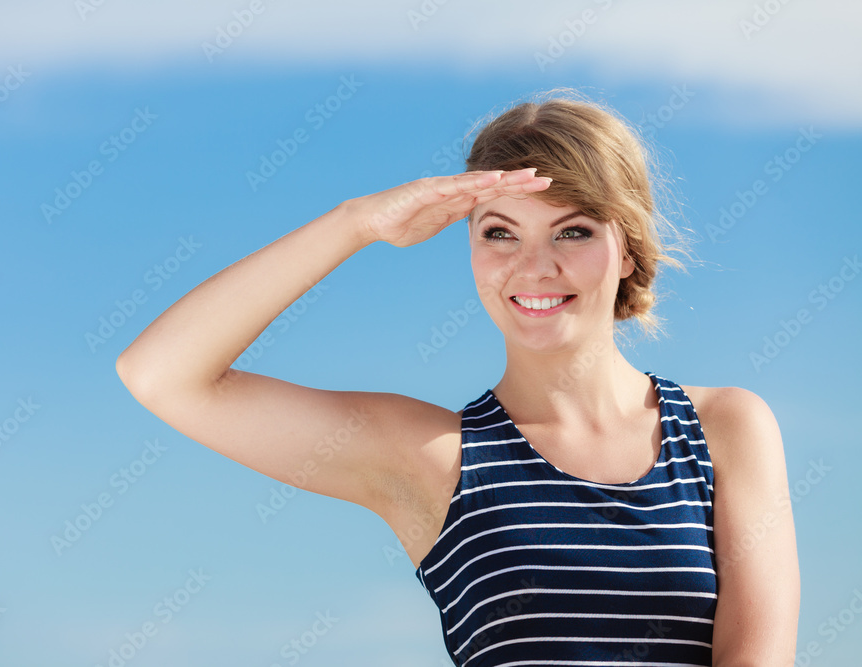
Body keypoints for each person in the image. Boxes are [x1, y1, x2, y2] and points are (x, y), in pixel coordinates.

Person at [115, 89, 799, 665]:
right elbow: (162, 374)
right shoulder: (435, 459)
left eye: (574, 231)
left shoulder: (725, 430)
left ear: (627, 248)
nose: (534, 266)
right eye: (500, 232)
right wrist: (357, 222)